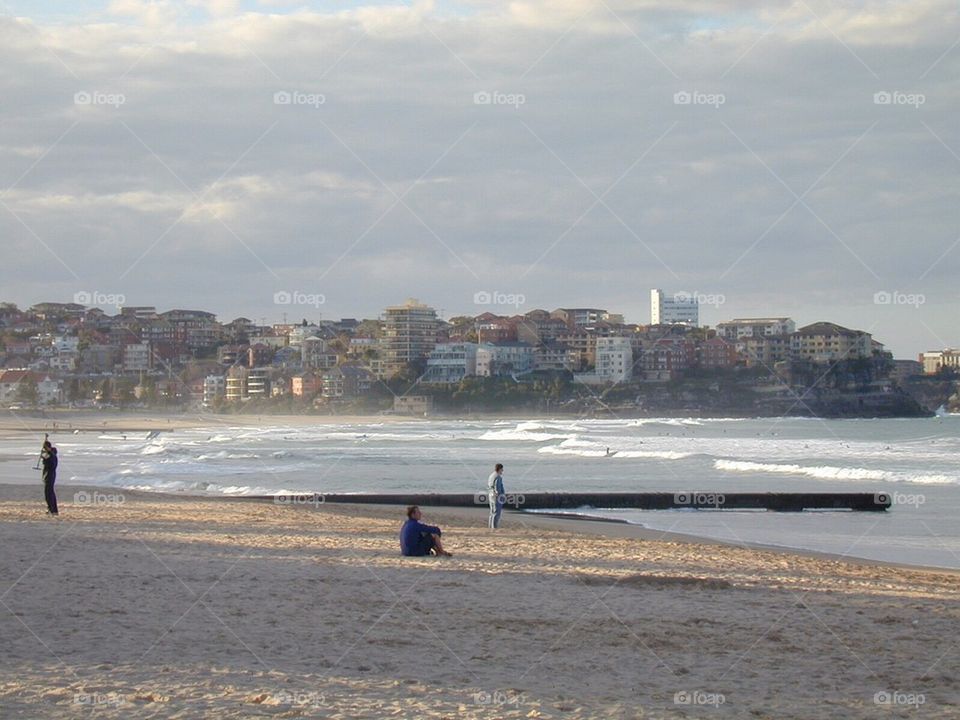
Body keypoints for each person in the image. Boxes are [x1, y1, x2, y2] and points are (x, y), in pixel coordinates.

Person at [41, 441, 59, 516]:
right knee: (51, 492)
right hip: (50, 475)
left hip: (49, 475)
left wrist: (44, 459)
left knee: (48, 493)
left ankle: (51, 509)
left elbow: (50, 464)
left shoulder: (51, 456)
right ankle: (53, 510)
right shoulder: (51, 454)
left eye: (45, 448)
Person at [487, 463, 505, 529]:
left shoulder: (491, 475)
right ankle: (494, 527)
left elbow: (489, 486)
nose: (502, 471)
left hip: (490, 495)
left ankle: (490, 526)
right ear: (499, 469)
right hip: (496, 496)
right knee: (496, 512)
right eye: (502, 469)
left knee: (492, 512)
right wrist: (500, 496)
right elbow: (497, 488)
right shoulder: (498, 477)